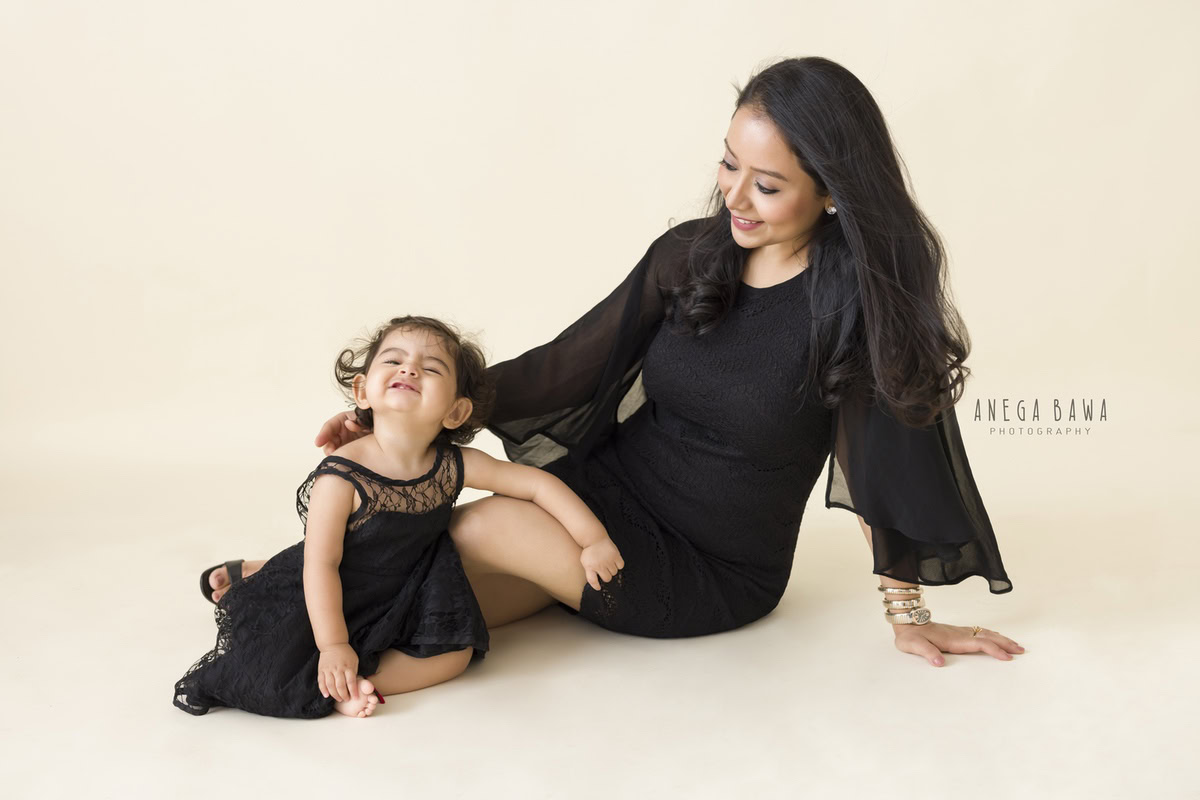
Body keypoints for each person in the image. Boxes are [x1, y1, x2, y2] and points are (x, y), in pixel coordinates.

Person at [203, 56, 1023, 669]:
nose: (734, 197)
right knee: (434, 570)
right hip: (601, 501)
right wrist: (417, 417)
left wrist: (906, 611)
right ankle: (288, 604)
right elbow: (567, 366)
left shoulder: (853, 311)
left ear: (833, 192)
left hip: (709, 567)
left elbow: (881, 467)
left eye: (767, 185)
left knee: (475, 521)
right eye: (729, 164)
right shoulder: (688, 258)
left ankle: (286, 592)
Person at [175, 316, 624, 718]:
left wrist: (594, 538)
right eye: (394, 360)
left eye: (431, 368)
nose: (410, 369)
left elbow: (535, 483)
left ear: (456, 411)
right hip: (339, 595)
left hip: (410, 588)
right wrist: (333, 645)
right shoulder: (342, 476)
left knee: (457, 655)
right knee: (280, 661)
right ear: (362, 390)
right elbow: (321, 564)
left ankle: (358, 684)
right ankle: (334, 677)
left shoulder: (452, 463)